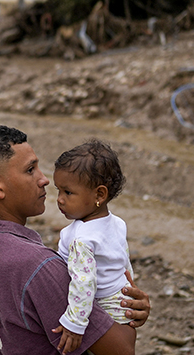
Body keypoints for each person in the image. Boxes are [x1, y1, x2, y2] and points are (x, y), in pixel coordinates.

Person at [0, 126, 149, 355]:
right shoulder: (38, 266)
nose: (44, 180)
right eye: (30, 170)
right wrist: (125, 313)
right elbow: (122, 350)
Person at [53, 140, 135, 354]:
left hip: (101, 305)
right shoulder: (117, 222)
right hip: (121, 302)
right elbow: (123, 261)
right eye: (58, 190)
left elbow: (84, 282)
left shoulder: (81, 239)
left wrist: (74, 324)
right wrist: (131, 292)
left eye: (68, 192)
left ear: (99, 195)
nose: (59, 200)